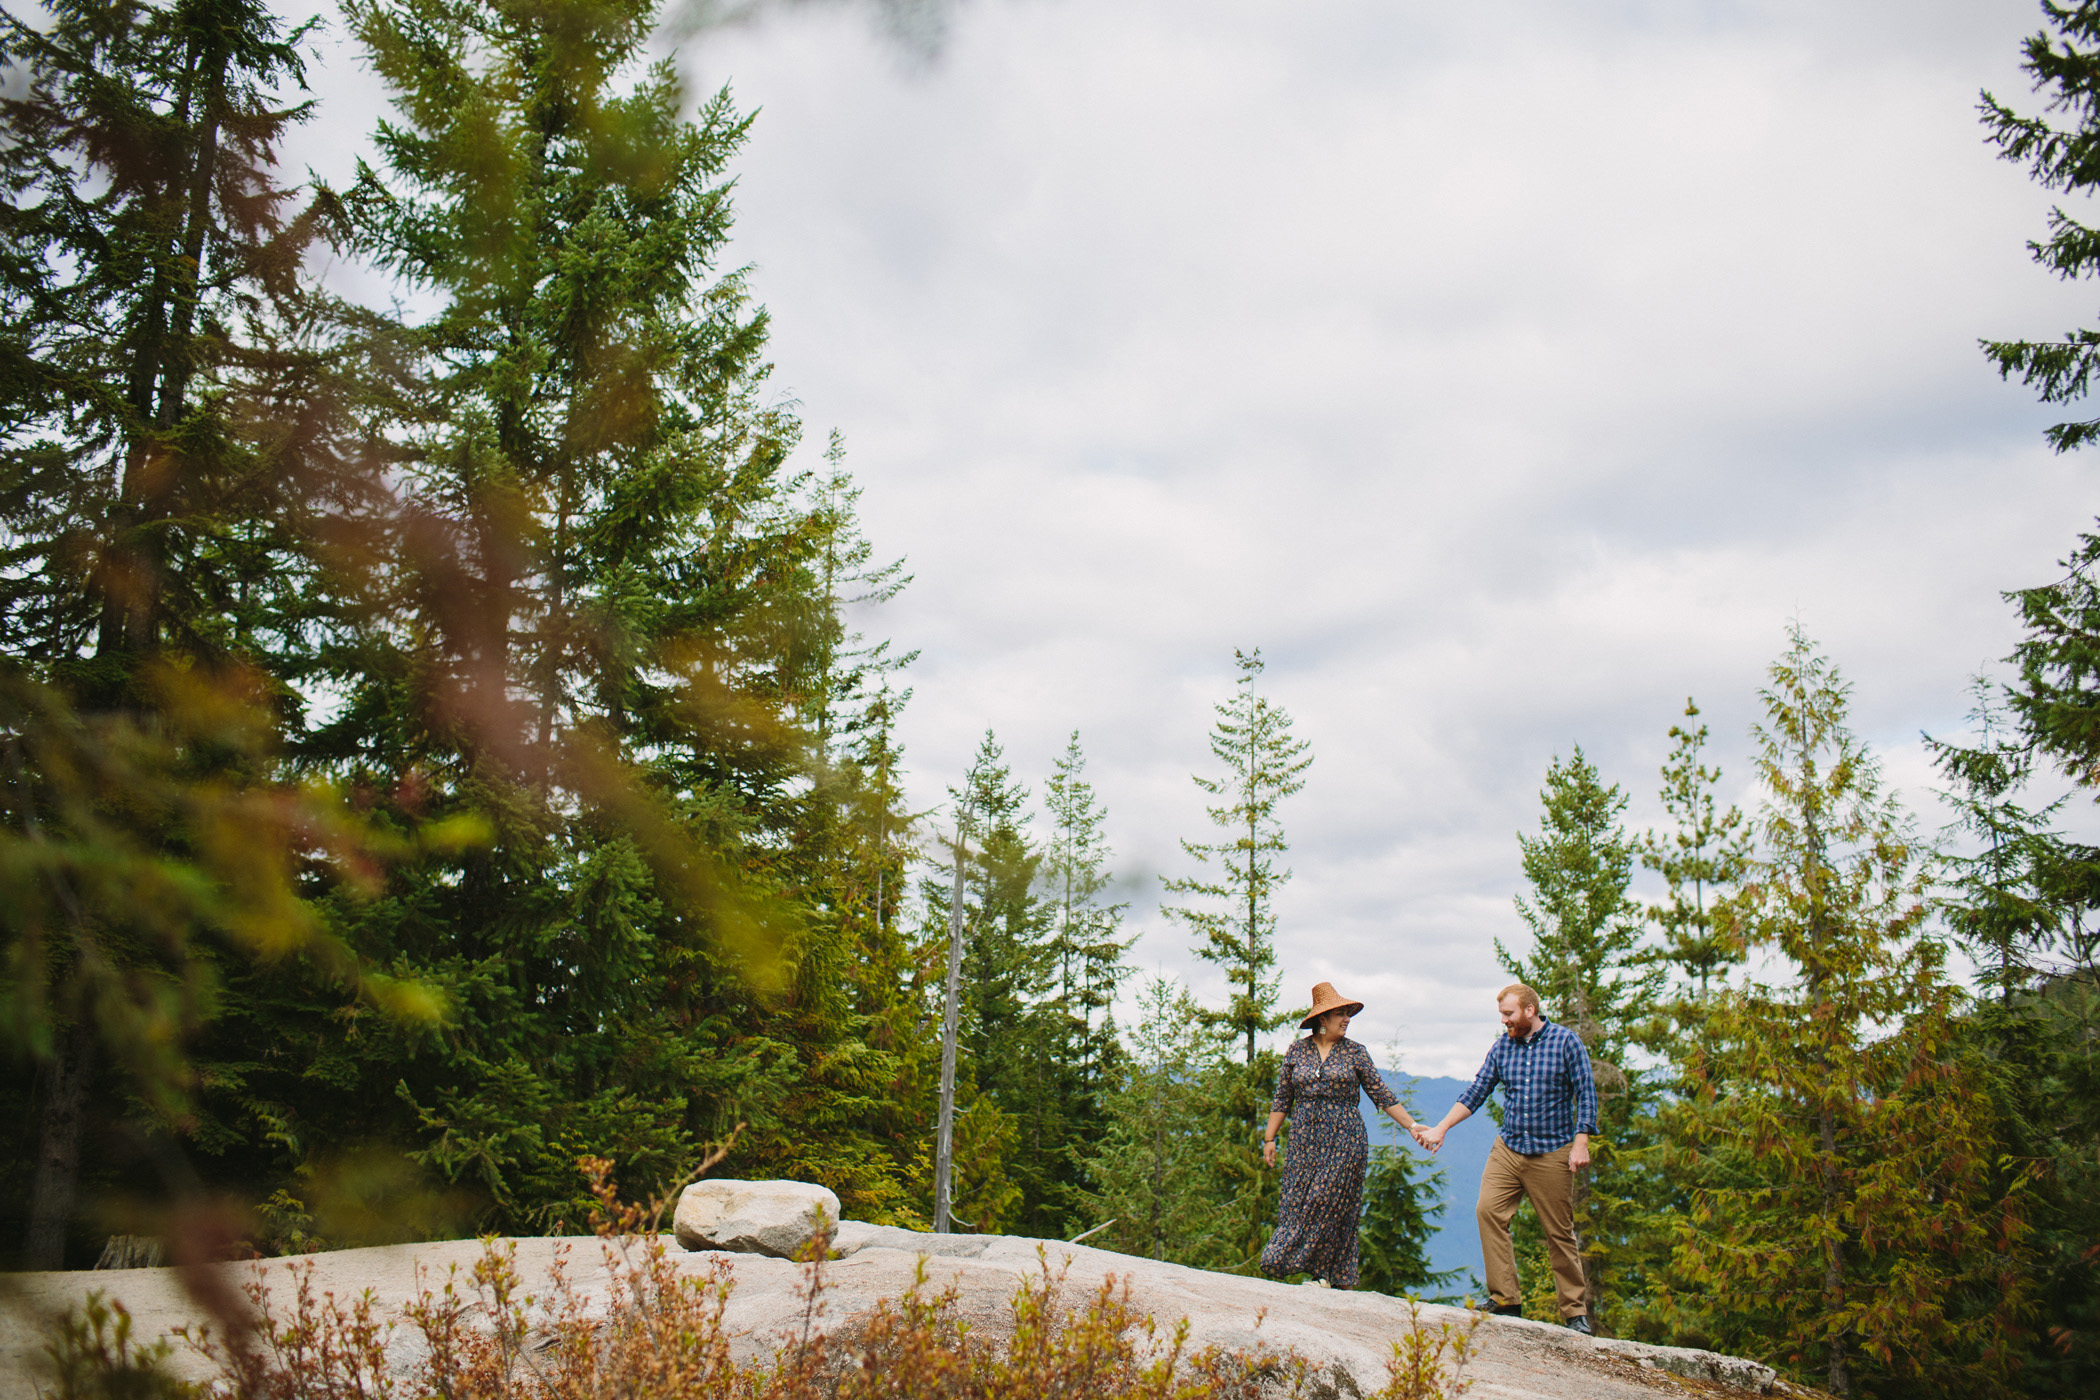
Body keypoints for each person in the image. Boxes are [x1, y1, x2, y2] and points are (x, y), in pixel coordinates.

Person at [1415, 983, 1597, 1334]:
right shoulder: (1502, 1047)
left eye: (1509, 1014)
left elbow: (1585, 1091)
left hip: (1553, 1150)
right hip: (1509, 1148)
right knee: (1488, 1211)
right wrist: (1441, 1128)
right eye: (1502, 1015)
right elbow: (1477, 1090)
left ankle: (1574, 1313)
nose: (1504, 1021)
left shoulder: (1565, 1042)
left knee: (1558, 1231)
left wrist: (1581, 1142)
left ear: (1529, 1011)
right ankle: (1506, 1299)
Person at [1259, 981, 1424, 1289]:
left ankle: (1321, 1272)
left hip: (1345, 1137)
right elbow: (1282, 1098)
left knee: (1328, 1199)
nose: (1346, 1019)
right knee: (1298, 1201)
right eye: (1340, 1014)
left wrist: (1412, 1126)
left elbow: (1380, 1093)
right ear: (1322, 1019)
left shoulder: (1356, 1053)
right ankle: (1325, 1274)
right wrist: (1270, 1139)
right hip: (1303, 1139)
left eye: (1348, 1013)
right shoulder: (1297, 1050)